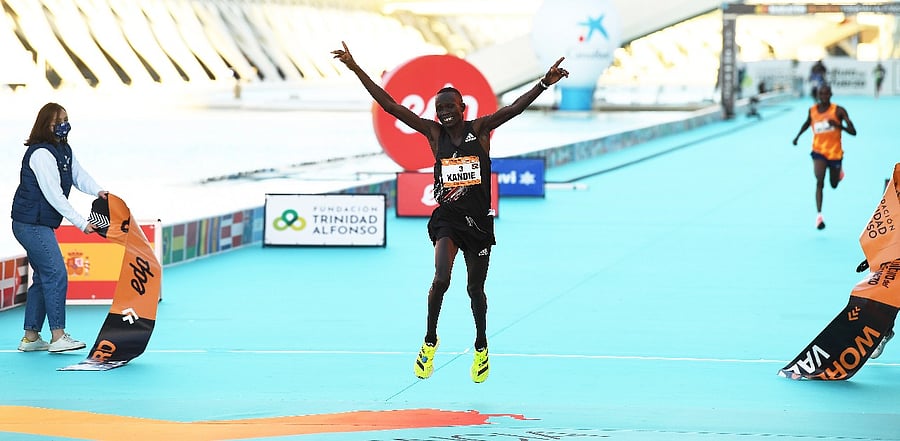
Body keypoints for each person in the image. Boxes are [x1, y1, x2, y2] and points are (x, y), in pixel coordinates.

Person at [332, 41, 568, 383]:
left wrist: (544, 83)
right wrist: (355, 67)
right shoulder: (433, 132)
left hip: (480, 224)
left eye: (450, 107)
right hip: (448, 219)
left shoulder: (481, 129)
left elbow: (515, 107)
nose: (444, 113)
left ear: (463, 106)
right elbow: (390, 105)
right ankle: (430, 340)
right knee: (441, 279)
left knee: (475, 290)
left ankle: (481, 345)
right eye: (439, 107)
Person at [11, 102, 107, 353]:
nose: (64, 124)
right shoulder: (41, 153)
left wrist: (98, 191)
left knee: (43, 277)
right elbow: (54, 195)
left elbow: (79, 176)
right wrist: (82, 223)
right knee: (55, 273)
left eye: (66, 118)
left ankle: (31, 338)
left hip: (38, 223)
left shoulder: (63, 149)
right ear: (46, 125)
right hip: (31, 224)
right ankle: (58, 336)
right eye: (58, 120)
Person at [791, 84, 856, 230]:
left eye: (827, 94)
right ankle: (819, 216)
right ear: (818, 95)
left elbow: (854, 131)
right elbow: (807, 123)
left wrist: (839, 126)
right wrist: (797, 137)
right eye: (822, 94)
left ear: (831, 94)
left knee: (833, 185)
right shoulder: (813, 110)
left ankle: (839, 174)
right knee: (819, 179)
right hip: (819, 152)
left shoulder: (839, 111)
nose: (824, 96)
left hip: (835, 154)